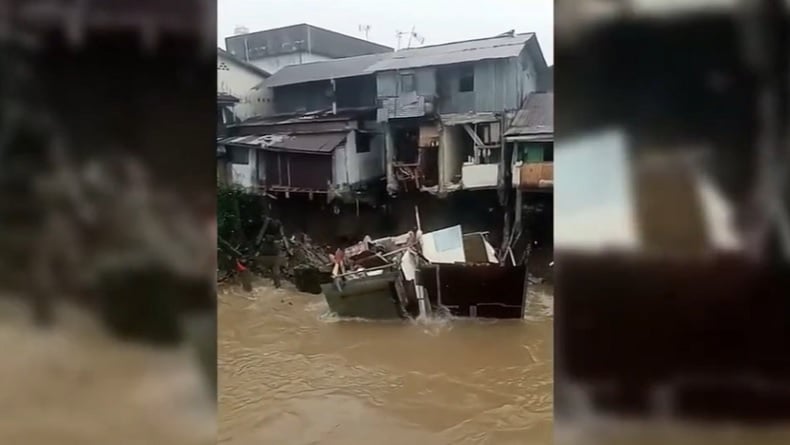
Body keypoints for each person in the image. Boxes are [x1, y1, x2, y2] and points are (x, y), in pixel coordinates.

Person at [255, 216, 289, 288]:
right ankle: (277, 285)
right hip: (275, 247)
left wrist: (257, 245)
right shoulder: (278, 223)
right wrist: (288, 249)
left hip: (266, 247)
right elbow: (283, 236)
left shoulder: (266, 222)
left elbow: (261, 234)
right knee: (275, 268)